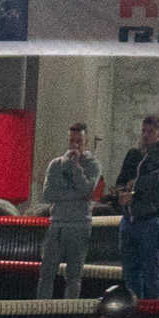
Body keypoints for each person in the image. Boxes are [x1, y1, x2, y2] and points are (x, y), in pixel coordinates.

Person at [36, 122, 102, 302]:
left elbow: (87, 191)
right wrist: (76, 195)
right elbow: (48, 194)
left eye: (79, 141)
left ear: (86, 142)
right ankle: (41, 311)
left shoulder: (93, 165)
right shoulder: (56, 165)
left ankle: (69, 313)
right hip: (57, 225)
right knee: (46, 274)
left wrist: (75, 168)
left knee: (74, 277)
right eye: (72, 141)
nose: (75, 146)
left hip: (79, 226)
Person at [111, 115, 159, 299]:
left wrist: (134, 194)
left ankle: (152, 313)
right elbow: (121, 179)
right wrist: (121, 193)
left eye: (150, 132)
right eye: (143, 131)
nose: (145, 135)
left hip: (150, 221)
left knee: (150, 273)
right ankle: (134, 311)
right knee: (130, 274)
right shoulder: (133, 154)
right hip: (129, 221)